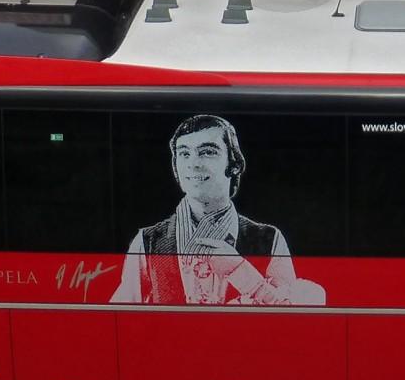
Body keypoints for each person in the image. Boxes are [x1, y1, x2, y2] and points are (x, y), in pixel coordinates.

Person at [111, 114, 325, 306]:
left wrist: (240, 271)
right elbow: (122, 317)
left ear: (234, 165)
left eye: (207, 152)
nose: (193, 164)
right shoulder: (148, 241)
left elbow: (290, 318)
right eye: (184, 153)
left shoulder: (268, 239)